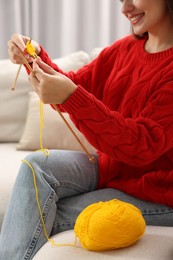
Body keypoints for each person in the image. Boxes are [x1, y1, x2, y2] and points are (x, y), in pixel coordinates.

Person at [1, 0, 173, 259]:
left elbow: (142, 144)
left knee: (37, 210)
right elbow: (74, 86)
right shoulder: (123, 50)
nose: (125, 8)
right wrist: (33, 56)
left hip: (160, 193)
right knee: (36, 166)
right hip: (112, 169)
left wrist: (71, 96)